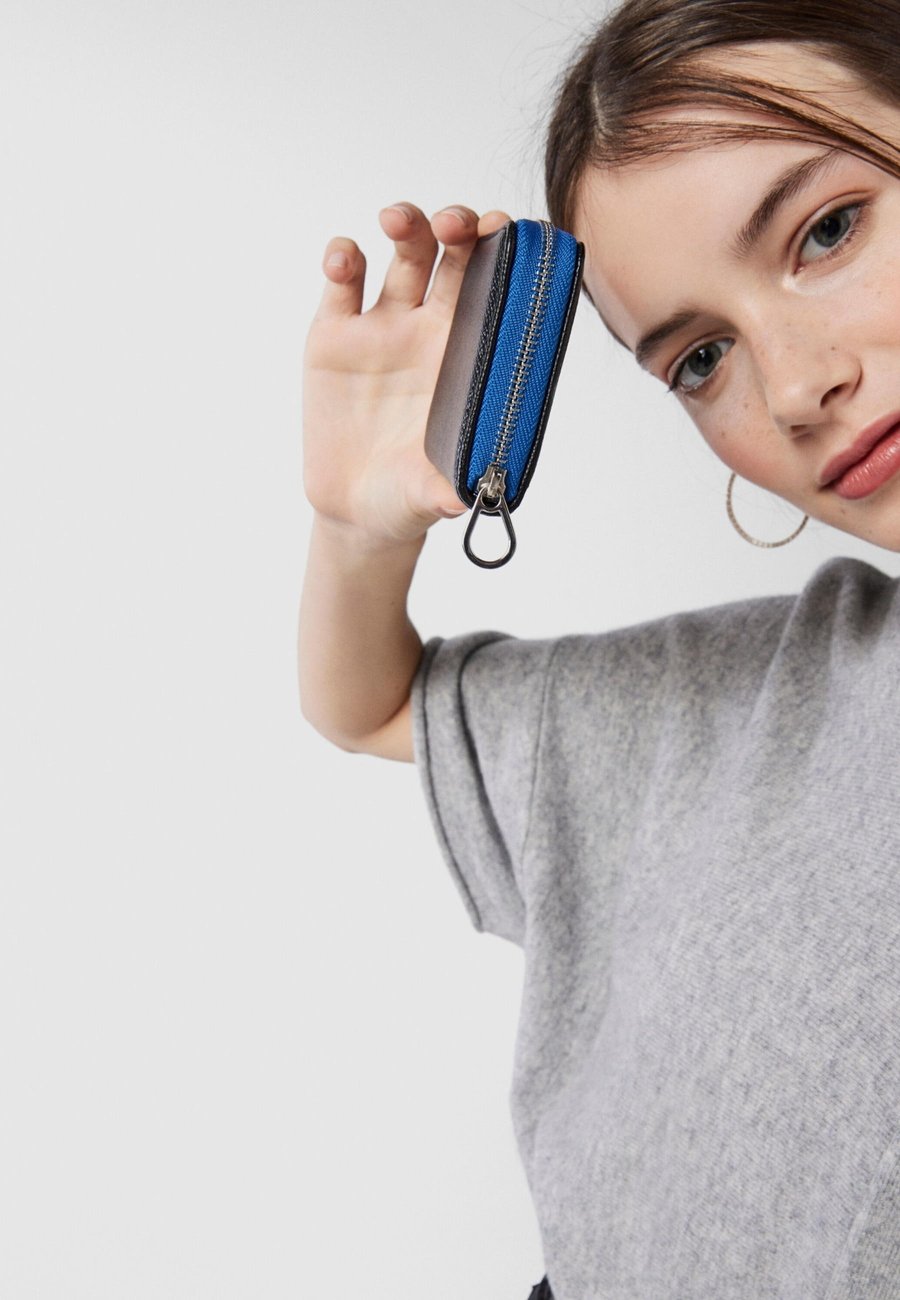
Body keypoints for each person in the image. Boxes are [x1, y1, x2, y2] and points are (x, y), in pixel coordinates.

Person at [298, 2, 900, 1296]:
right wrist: (359, 528)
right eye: (701, 358)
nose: (794, 389)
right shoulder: (753, 701)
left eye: (828, 230)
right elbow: (369, 705)